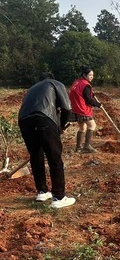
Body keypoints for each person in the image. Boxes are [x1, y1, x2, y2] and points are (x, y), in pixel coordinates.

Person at [18, 72, 76, 209]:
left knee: (36, 156)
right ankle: (59, 197)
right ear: (52, 78)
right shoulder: (56, 84)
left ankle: (42, 192)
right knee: (54, 157)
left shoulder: (33, 88)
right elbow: (67, 107)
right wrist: (61, 125)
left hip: (24, 121)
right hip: (43, 119)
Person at [69, 67, 102, 153]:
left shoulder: (76, 82)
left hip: (75, 108)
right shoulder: (86, 85)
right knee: (92, 126)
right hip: (82, 109)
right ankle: (87, 146)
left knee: (82, 127)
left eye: (92, 75)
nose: (91, 77)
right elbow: (88, 100)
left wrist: (91, 93)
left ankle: (78, 147)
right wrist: (98, 104)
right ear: (84, 75)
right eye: (90, 75)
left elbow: (80, 93)